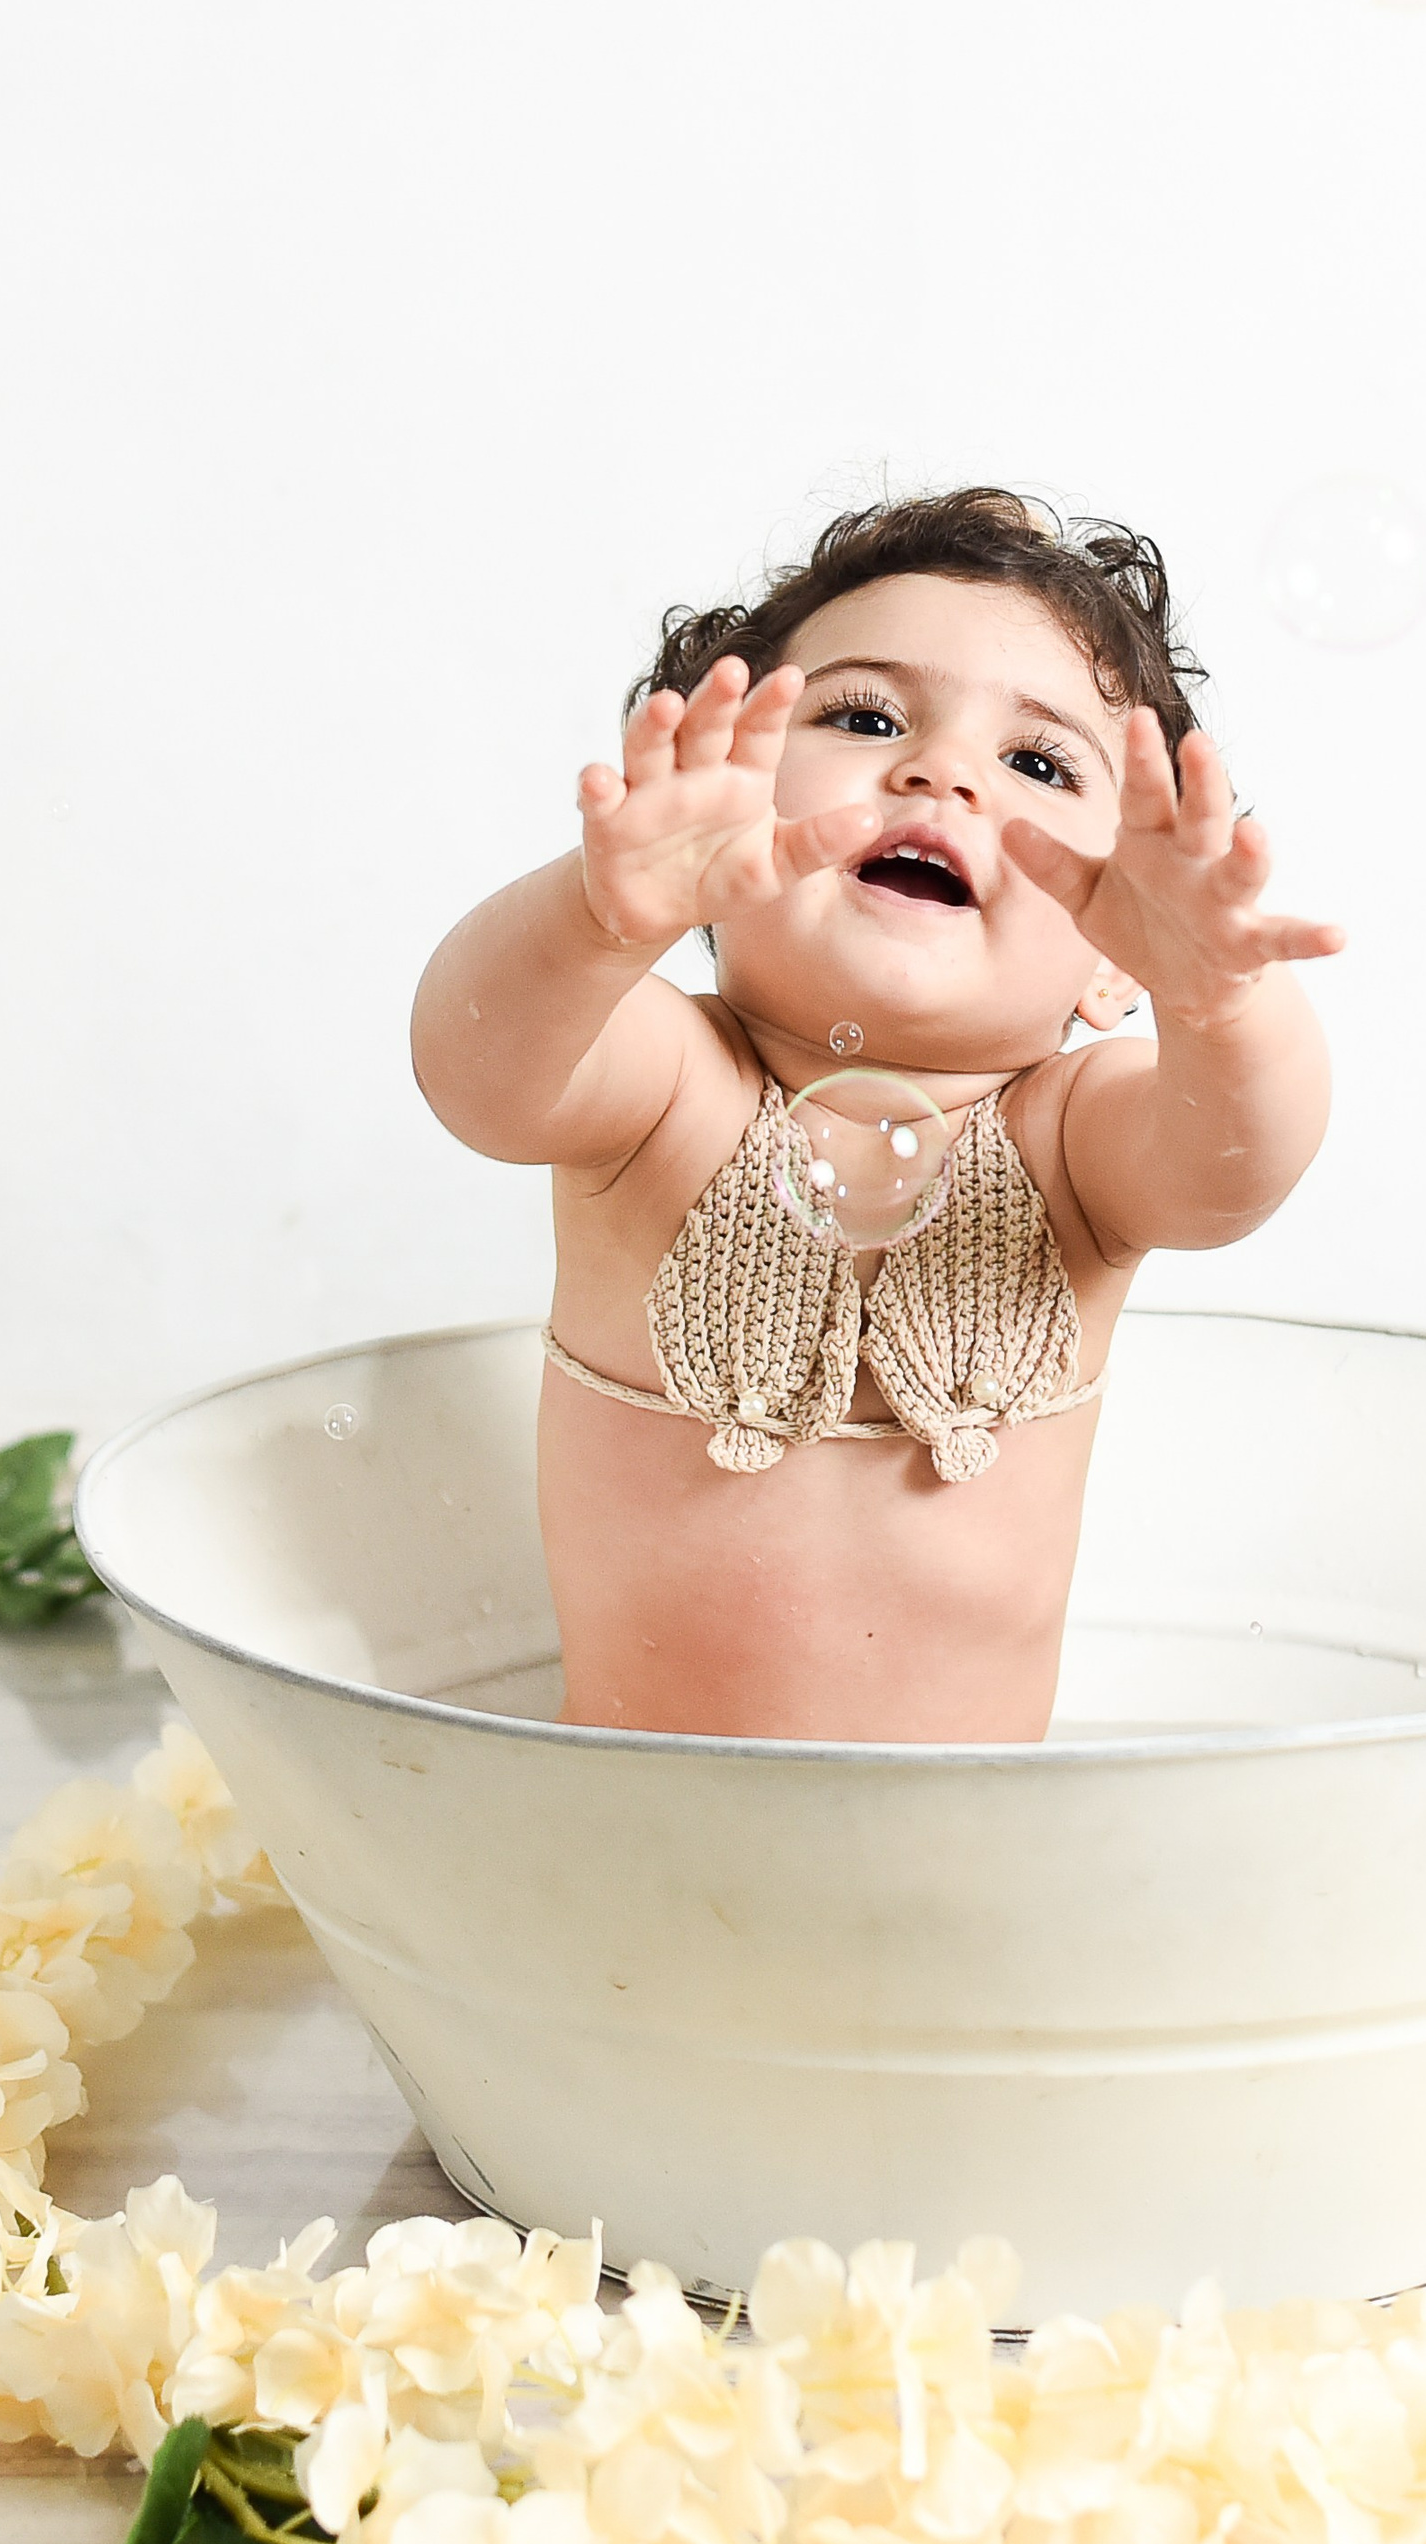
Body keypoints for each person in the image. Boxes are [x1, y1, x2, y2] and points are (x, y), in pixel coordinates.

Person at [411, 488, 1341, 1740]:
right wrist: (594, 915)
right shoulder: (670, 1086)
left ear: (1115, 961)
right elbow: (478, 1073)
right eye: (864, 716)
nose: (939, 772)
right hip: (625, 1818)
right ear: (724, 807)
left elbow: (1237, 1166)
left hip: (964, 1840)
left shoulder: (1073, 1142)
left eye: (1037, 763)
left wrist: (1221, 1001)